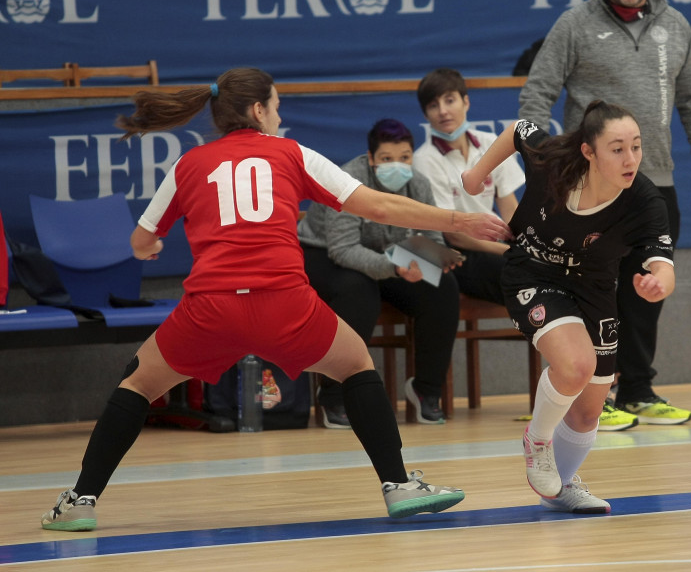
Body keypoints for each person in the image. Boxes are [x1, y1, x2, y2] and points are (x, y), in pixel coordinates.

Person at [40, 67, 511, 532]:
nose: (279, 116)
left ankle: (80, 500)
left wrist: (154, 246)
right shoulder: (292, 154)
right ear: (259, 109)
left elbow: (140, 242)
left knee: (138, 384)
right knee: (354, 368)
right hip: (284, 303)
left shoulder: (188, 165)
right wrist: (458, 221)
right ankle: (399, 485)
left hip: (210, 309)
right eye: (277, 106)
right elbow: (378, 205)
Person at [518, 0, 691, 430]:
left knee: (649, 288)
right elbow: (536, 94)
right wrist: (547, 166)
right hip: (590, 191)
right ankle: (596, 395)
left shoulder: (675, 24)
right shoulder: (575, 24)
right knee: (592, 290)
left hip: (656, 185)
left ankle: (637, 391)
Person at [461, 101, 675, 513]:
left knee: (587, 412)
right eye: (617, 149)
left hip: (594, 288)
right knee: (576, 366)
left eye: (636, 146)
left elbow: (662, 262)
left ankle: (560, 487)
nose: (630, 159)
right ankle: (537, 439)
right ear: (588, 152)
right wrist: (476, 175)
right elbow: (518, 128)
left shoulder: (645, 200)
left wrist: (657, 284)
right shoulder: (555, 161)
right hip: (532, 274)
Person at [299, 118, 460, 426]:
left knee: (443, 285)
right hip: (323, 253)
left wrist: (436, 260)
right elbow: (343, 249)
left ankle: (426, 391)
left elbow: (433, 237)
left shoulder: (419, 184)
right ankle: (334, 396)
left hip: (389, 256)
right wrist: (393, 267)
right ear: (371, 159)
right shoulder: (347, 180)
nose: (397, 165)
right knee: (358, 289)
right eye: (387, 159)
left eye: (405, 158)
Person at [412, 68, 525, 306]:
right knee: (521, 277)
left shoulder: (489, 143)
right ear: (426, 114)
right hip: (454, 250)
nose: (443, 111)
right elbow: (452, 233)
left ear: (466, 102)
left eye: (450, 100)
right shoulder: (425, 160)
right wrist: (508, 252)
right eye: (433, 105)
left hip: (495, 244)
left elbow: (509, 205)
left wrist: (524, 246)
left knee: (547, 271)